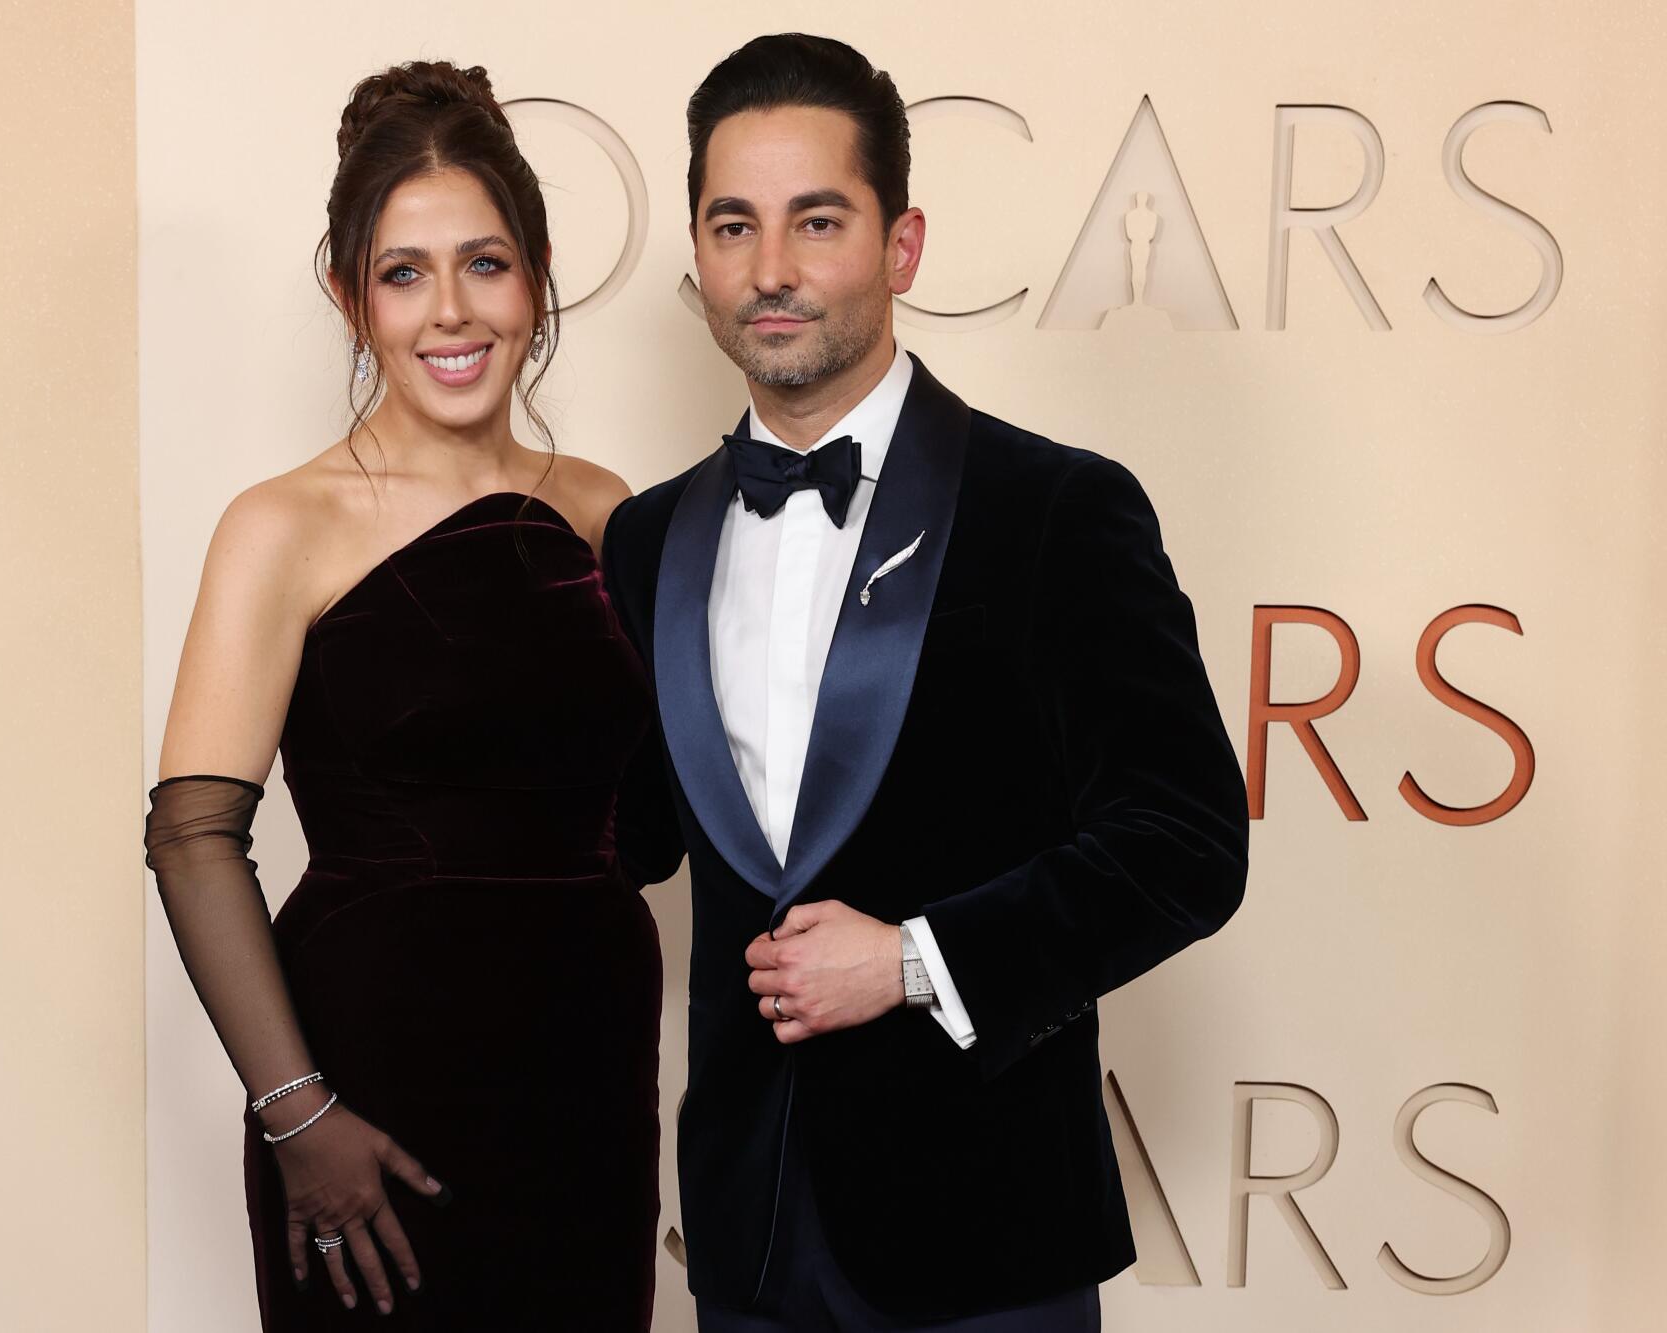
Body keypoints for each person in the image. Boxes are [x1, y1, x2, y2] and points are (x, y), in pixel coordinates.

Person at [597, 33, 1252, 1332]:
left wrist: (910, 959)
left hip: (985, 1236)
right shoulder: (645, 540)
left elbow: (1188, 843)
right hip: (745, 1234)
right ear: (698, 251)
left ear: (902, 246)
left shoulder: (1056, 509)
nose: (770, 271)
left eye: (816, 221)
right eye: (735, 225)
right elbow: (629, 840)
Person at [142, 60, 667, 1331]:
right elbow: (192, 834)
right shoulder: (282, 523)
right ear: (348, 296)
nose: (450, 312)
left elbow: (652, 820)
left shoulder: (611, 510)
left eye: (484, 264)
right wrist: (297, 1112)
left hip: (587, 1074)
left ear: (536, 276)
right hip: (368, 1094)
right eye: (402, 272)